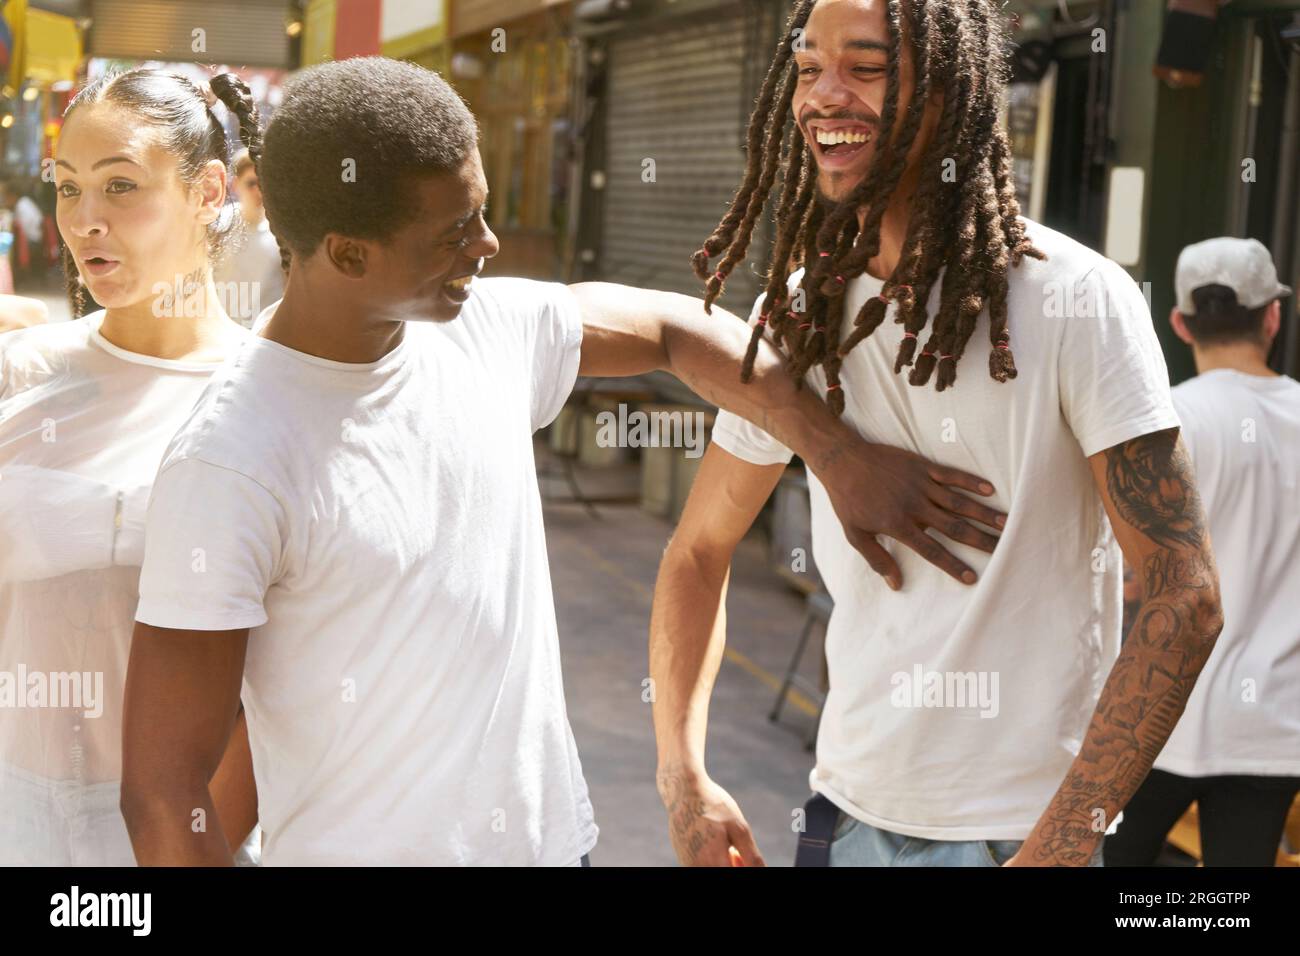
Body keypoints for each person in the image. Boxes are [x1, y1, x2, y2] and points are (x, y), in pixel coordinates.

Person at [118, 55, 1007, 867]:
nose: (488, 246)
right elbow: (163, 797)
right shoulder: (230, 462)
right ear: (349, 254)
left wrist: (836, 453)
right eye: (455, 231)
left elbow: (675, 330)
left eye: (484, 211)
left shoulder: (486, 333)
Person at [649, 0, 1223, 867]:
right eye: (807, 68)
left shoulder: (1077, 300)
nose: (823, 95)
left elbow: (1183, 592)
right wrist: (682, 776)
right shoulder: (798, 313)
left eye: (866, 67)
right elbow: (698, 552)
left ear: (950, 92)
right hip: (840, 818)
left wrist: (1065, 840)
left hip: (1016, 834)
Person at [0, 69, 262, 865]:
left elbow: (284, 685)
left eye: (121, 187)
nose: (85, 222)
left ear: (208, 190)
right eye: (69, 189)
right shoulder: (22, 375)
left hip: (171, 827)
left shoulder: (265, 400)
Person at [1105, 237, 1299, 867]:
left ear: (1180, 322)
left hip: (1158, 708)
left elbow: (1122, 578)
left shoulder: (1165, 422)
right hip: (1273, 720)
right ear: (1273, 315)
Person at [213, 149, 284, 328]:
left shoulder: (283, 232)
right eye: (251, 183)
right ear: (235, 185)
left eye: (264, 183)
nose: (259, 191)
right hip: (223, 330)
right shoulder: (217, 225)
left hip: (261, 334)